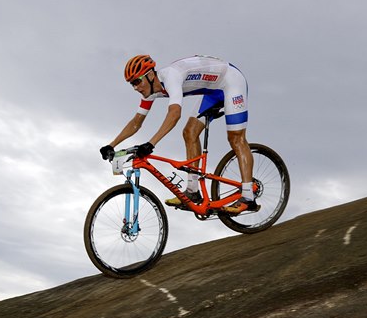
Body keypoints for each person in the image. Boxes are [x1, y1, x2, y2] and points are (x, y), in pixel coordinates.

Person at [99, 54, 258, 214]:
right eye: (131, 84)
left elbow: (174, 113)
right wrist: (111, 145)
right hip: (213, 92)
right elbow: (136, 122)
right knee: (189, 133)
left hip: (231, 82)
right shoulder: (151, 90)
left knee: (235, 138)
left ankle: (248, 196)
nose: (135, 88)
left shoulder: (171, 77)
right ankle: (193, 191)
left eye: (137, 81)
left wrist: (151, 144)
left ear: (150, 75)